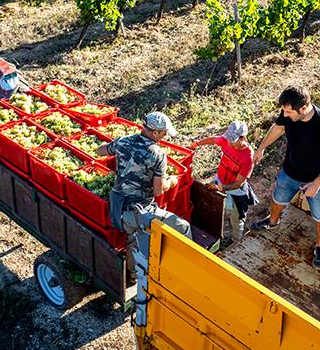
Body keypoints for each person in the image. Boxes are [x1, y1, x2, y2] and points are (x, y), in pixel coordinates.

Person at [96, 111, 191, 326]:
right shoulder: (158, 155)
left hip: (119, 210)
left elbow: (100, 150)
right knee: (183, 227)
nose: (165, 136)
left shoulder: (123, 141)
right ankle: (181, 271)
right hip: (140, 210)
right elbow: (158, 192)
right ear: (156, 133)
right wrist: (172, 182)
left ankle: (131, 275)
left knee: (132, 239)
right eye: (164, 133)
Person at [251, 86, 320, 267]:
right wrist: (262, 147)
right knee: (278, 199)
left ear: (303, 108)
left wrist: (317, 183)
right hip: (290, 172)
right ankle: (272, 221)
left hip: (317, 180)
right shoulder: (289, 113)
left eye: (288, 112)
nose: (285, 115)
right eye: (284, 111)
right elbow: (278, 128)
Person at [189, 120, 255, 246]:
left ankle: (236, 241)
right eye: (228, 138)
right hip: (220, 179)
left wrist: (221, 187)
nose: (229, 142)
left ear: (243, 138)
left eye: (233, 140)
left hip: (235, 188)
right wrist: (196, 144)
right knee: (207, 203)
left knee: (236, 218)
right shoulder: (226, 140)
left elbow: (239, 183)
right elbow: (213, 140)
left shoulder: (248, 157)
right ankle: (208, 231)